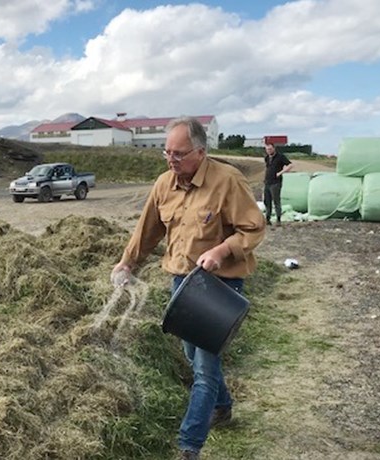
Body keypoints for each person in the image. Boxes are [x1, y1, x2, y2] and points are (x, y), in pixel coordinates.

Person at [110, 117, 266, 460]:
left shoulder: (227, 181)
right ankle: (223, 407)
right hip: (182, 281)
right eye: (167, 152)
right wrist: (127, 263)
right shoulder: (164, 184)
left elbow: (254, 229)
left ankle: (188, 445)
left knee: (205, 368)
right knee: (191, 355)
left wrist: (222, 250)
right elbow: (147, 230)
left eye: (179, 154)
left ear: (200, 151)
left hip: (220, 285)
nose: (171, 160)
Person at [263, 143, 292, 226]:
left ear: (274, 149)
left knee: (276, 201)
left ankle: (278, 220)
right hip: (267, 182)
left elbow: (290, 165)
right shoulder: (267, 158)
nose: (269, 151)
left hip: (276, 183)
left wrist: (280, 172)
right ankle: (267, 219)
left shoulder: (280, 157)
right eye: (267, 149)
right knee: (267, 201)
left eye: (270, 149)